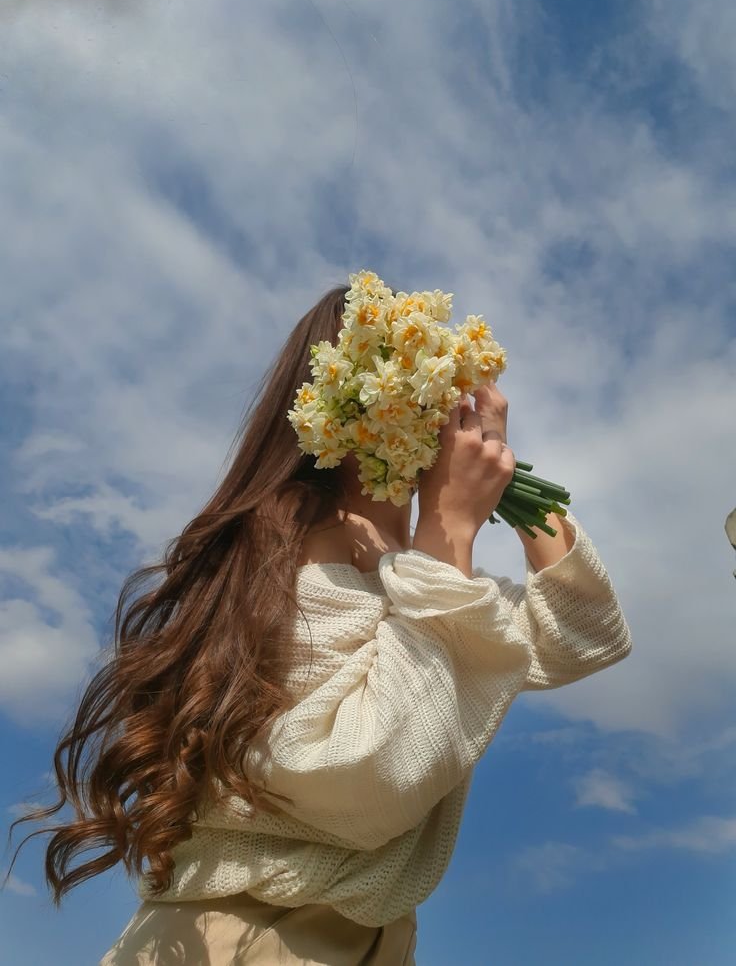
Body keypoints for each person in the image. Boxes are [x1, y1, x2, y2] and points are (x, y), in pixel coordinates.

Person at [4, 285, 632, 964]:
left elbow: (582, 630)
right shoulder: (306, 546)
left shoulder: (419, 576)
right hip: (250, 938)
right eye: (426, 392)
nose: (447, 415)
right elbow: (372, 774)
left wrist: (503, 482)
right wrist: (447, 533)